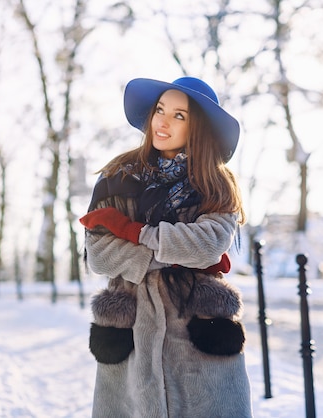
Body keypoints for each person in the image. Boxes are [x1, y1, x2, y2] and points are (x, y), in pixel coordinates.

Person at [80, 77, 253, 417]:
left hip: (198, 330)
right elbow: (100, 256)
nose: (162, 121)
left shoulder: (216, 185)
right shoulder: (116, 177)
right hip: (130, 330)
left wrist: (132, 231)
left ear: (198, 126)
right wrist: (177, 254)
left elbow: (206, 246)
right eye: (160, 110)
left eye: (179, 115)